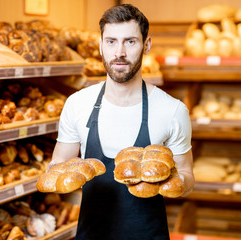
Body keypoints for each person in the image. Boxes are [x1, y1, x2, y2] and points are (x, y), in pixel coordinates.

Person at [49, 3, 194, 240]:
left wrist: (172, 182)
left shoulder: (172, 110)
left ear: (146, 45)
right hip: (90, 235)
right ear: (100, 46)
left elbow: (187, 174)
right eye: (111, 41)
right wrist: (56, 173)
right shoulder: (77, 104)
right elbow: (59, 163)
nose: (119, 53)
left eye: (130, 41)